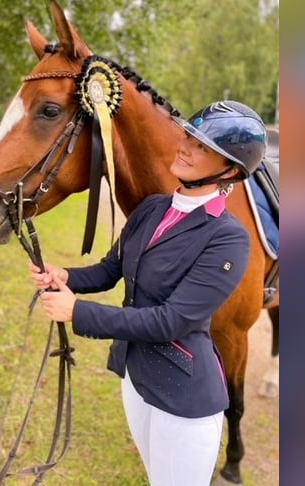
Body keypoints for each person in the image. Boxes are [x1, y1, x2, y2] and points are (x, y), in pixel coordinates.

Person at [29, 101, 267, 486]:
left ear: (231, 170)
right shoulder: (152, 208)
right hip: (135, 377)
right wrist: (65, 275)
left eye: (204, 146)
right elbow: (111, 270)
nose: (187, 146)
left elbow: (171, 321)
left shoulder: (228, 239)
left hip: (185, 395)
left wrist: (77, 311)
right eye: (189, 136)